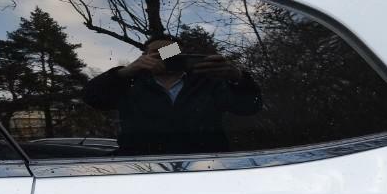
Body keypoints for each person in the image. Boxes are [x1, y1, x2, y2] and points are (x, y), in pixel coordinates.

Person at [82, 36, 263, 156]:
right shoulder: (130, 84)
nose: (164, 57)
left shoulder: (208, 82)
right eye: (156, 54)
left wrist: (238, 77)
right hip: (141, 168)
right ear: (143, 57)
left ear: (182, 56)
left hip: (207, 166)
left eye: (170, 52)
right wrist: (125, 72)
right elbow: (92, 98)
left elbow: (249, 107)